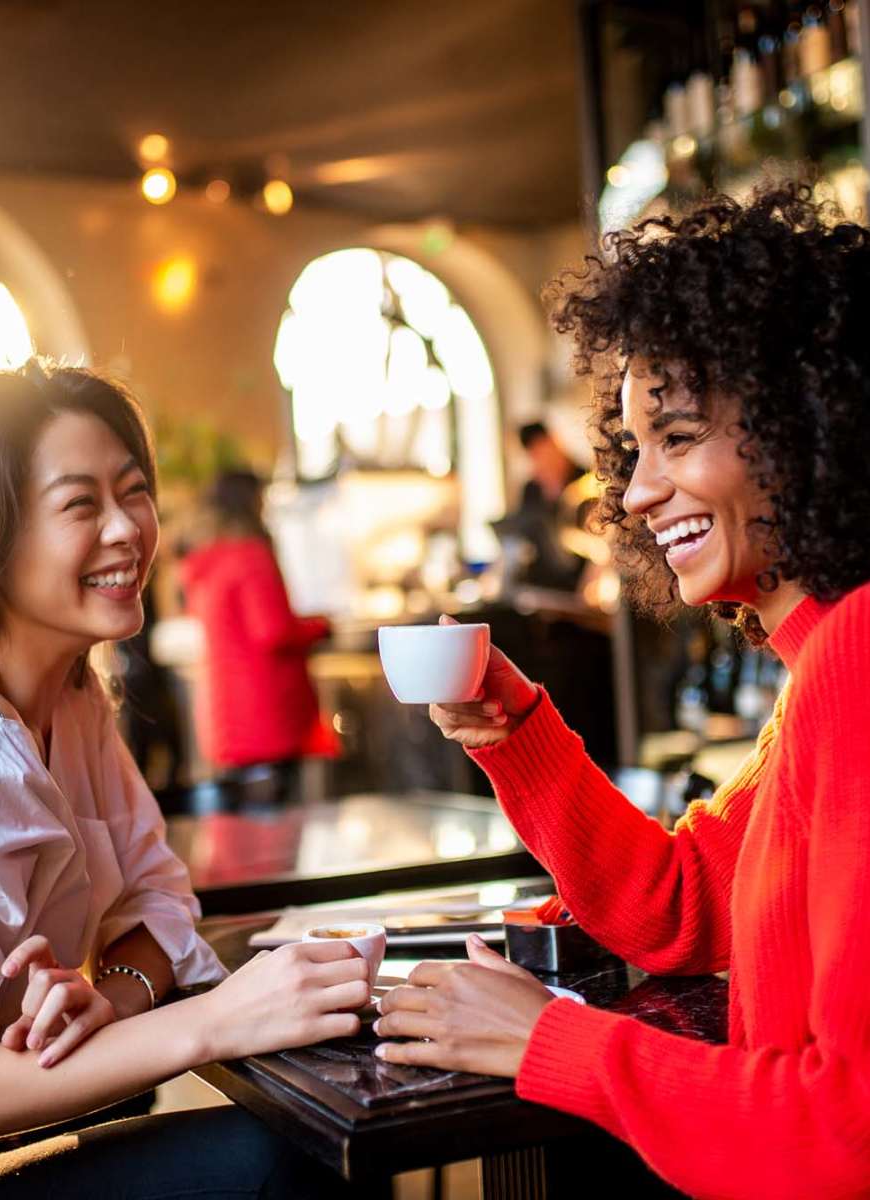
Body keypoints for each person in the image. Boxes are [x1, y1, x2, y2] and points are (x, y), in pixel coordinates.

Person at [373, 182, 870, 1198]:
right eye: (634, 450)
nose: (637, 492)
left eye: (679, 437)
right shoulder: (819, 664)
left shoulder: (857, 657)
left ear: (806, 423)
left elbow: (842, 1138)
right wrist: (512, 727)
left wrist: (549, 1040)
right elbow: (682, 903)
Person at [0, 363, 373, 1196]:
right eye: (79, 504)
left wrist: (117, 996)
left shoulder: (71, 700)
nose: (127, 529)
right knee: (277, 1159)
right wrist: (214, 1022)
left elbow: (160, 898)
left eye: (133, 491)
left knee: (295, 1146)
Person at [180, 470, 333, 806]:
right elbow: (273, 631)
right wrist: (320, 626)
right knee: (277, 840)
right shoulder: (250, 557)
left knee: (247, 839)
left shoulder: (206, 560)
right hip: (266, 717)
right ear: (250, 503)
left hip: (228, 720)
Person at [493, 420, 586, 590]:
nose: (539, 461)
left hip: (578, 580)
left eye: (541, 452)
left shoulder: (587, 482)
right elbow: (523, 530)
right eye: (533, 455)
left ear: (554, 443)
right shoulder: (532, 489)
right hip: (541, 583)